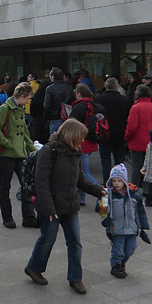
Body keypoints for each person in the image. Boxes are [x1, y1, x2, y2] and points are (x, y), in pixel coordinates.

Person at [23, 119, 105, 294]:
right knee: (48, 238)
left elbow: (80, 178)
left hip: (70, 204)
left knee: (75, 242)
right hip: (52, 205)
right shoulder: (49, 151)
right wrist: (48, 209)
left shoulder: (75, 151)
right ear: (71, 135)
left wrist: (100, 191)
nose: (82, 141)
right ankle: (34, 268)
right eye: (80, 138)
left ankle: (76, 278)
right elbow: (41, 182)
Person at [0, 82, 38, 229]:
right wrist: (7, 144)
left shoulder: (20, 109)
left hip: (20, 153)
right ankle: (7, 217)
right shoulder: (5, 108)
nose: (28, 101)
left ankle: (29, 217)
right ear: (22, 96)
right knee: (5, 186)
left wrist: (33, 149)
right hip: (6, 154)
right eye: (28, 98)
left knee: (26, 185)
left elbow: (24, 132)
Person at [102, 163, 149, 278]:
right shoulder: (109, 196)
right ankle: (116, 265)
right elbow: (103, 210)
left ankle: (122, 262)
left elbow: (141, 212)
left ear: (124, 181)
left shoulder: (134, 196)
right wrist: (105, 218)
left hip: (132, 228)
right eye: (114, 181)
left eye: (119, 181)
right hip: (116, 229)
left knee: (131, 248)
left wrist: (143, 226)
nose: (116, 184)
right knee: (118, 249)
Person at [95, 77, 131, 185]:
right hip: (120, 134)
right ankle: (120, 180)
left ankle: (107, 180)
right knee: (119, 160)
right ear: (117, 86)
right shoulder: (125, 101)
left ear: (105, 86)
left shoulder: (98, 100)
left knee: (105, 159)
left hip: (104, 134)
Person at [69, 84, 100, 206]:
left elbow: (71, 124)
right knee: (81, 170)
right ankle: (81, 198)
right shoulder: (93, 105)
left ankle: (101, 192)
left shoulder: (79, 107)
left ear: (79, 94)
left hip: (82, 141)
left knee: (83, 172)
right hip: (91, 140)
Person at [124, 85, 152, 187]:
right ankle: (147, 188)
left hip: (137, 140)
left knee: (135, 166)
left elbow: (131, 127)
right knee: (149, 166)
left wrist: (126, 137)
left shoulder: (135, 108)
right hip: (150, 141)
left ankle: (133, 188)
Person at [43, 67, 74, 135]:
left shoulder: (50, 88)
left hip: (55, 116)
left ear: (53, 77)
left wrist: (46, 117)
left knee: (55, 139)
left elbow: (46, 105)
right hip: (67, 115)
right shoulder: (69, 87)